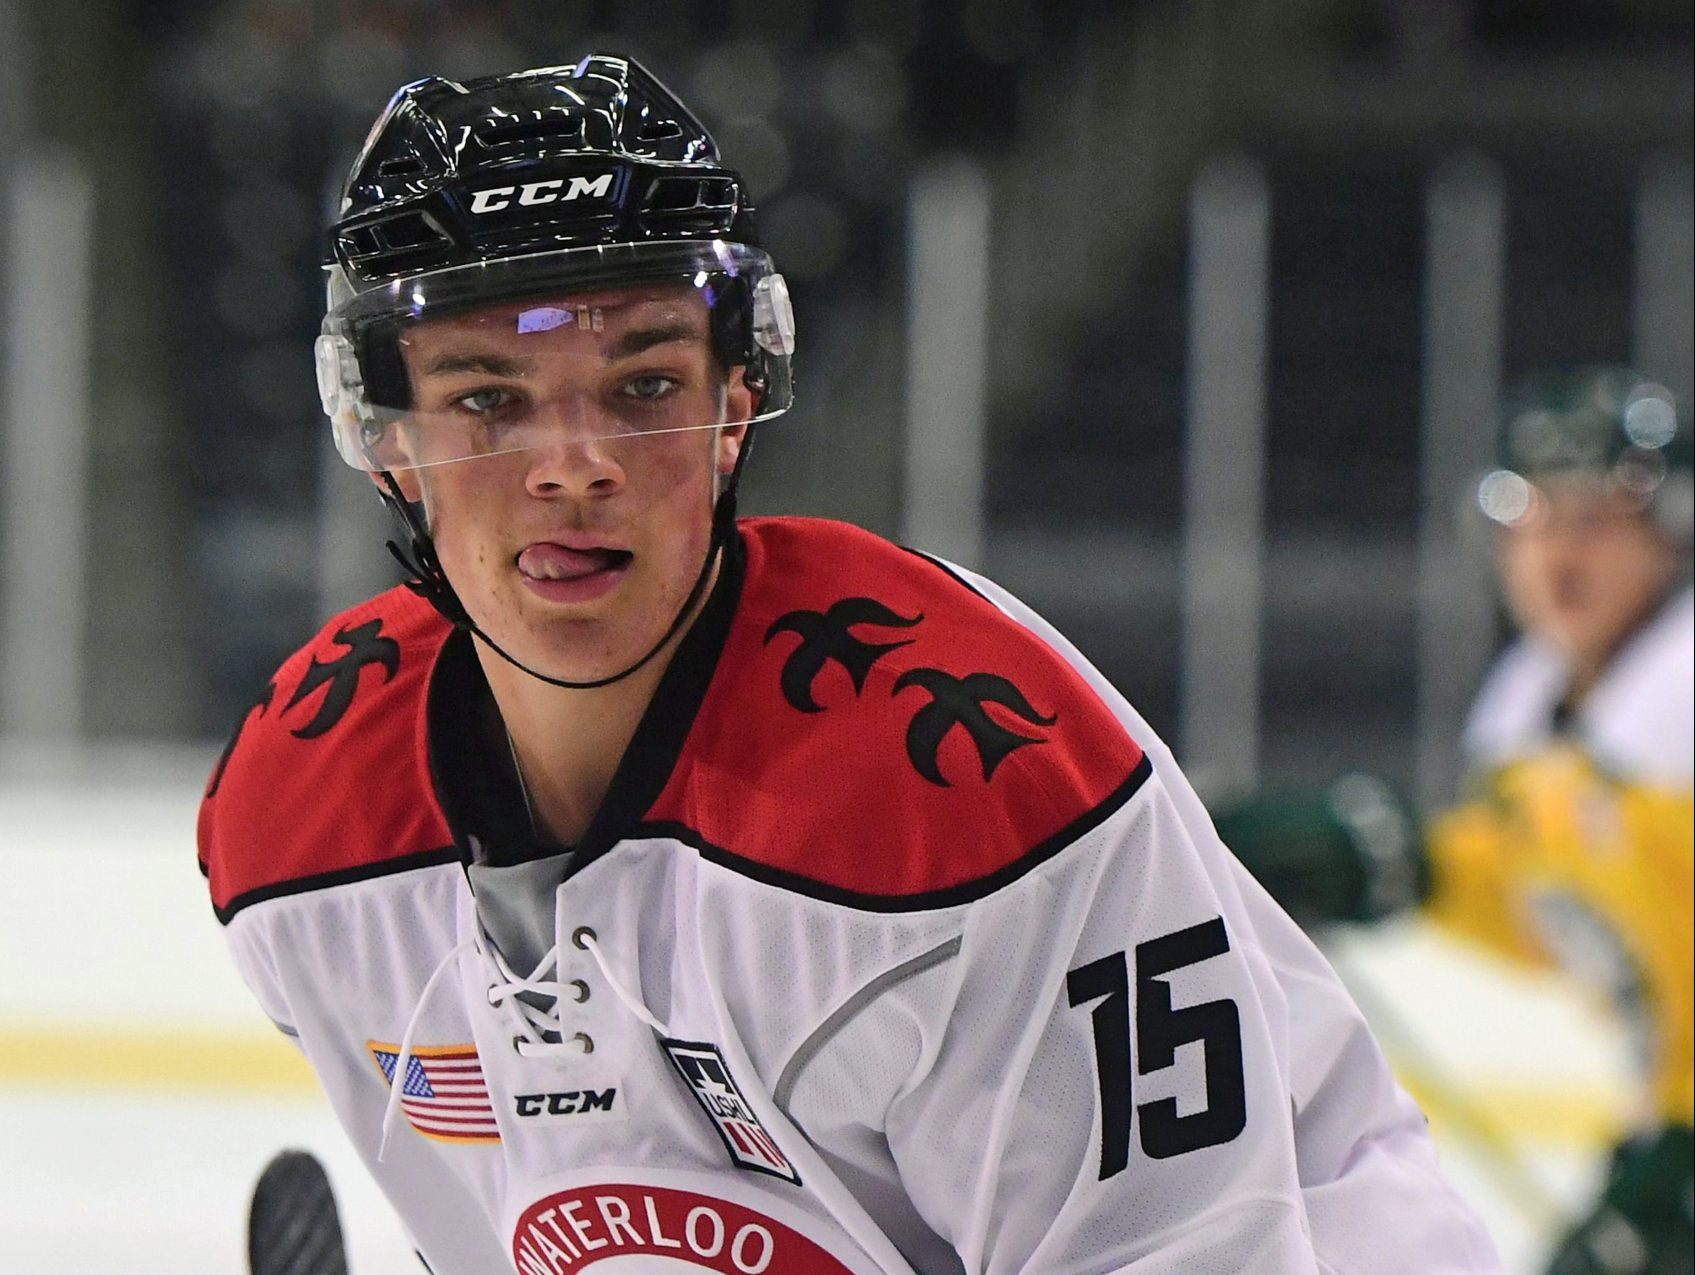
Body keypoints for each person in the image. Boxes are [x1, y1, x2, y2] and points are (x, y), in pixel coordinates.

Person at [199, 56, 1502, 1274]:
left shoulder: (960, 779)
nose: (572, 462)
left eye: (644, 384)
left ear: (734, 401)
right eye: (488, 397)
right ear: (383, 437)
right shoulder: (305, 837)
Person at [1216, 366, 1694, 1275]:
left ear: (1669, 534)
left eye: (1594, 519)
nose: (1557, 553)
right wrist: (1390, 861)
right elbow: (1555, 907)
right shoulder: (1540, 711)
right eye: (1530, 519)